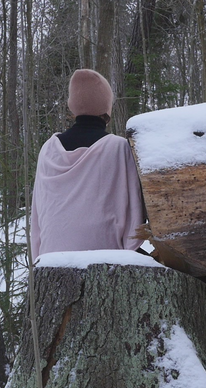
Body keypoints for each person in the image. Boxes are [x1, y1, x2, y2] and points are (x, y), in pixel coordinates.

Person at [30, 69, 145, 259]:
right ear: (106, 107)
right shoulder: (118, 148)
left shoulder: (48, 150)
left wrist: (39, 261)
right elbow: (134, 213)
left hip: (51, 259)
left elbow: (37, 218)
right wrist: (130, 251)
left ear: (72, 105)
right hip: (104, 261)